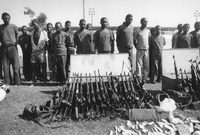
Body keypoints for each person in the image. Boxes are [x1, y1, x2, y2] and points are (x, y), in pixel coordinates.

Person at [0, 12, 21, 85]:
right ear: (2, 19)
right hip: (4, 48)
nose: (7, 20)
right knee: (5, 67)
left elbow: (16, 36)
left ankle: (17, 83)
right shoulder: (0, 27)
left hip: (13, 48)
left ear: (10, 19)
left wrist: (15, 46)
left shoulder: (14, 26)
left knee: (16, 67)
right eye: (5, 18)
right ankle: (7, 82)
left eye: (8, 18)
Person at [30, 19, 48, 86]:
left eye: (35, 25)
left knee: (43, 67)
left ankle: (45, 82)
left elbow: (46, 42)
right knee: (33, 67)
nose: (34, 26)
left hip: (41, 53)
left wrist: (41, 48)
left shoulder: (44, 32)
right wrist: (35, 48)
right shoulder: (32, 33)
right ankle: (33, 82)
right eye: (33, 25)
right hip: (34, 52)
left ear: (38, 24)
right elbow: (31, 42)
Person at [133, 18, 150, 83]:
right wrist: (137, 47)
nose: (145, 23)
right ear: (141, 22)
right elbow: (134, 41)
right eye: (144, 22)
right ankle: (139, 79)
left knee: (146, 66)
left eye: (146, 22)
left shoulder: (148, 31)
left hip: (146, 50)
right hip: (139, 50)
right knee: (138, 65)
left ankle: (144, 79)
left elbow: (148, 39)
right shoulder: (137, 31)